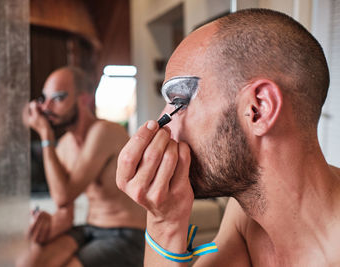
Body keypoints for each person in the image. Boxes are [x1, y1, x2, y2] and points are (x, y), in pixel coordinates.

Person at [116, 8, 340, 267]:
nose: (165, 129)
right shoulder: (247, 218)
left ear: (258, 109)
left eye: (178, 102)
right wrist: (163, 224)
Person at [18, 66, 146, 267]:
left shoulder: (104, 131)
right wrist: (42, 227)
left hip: (127, 233)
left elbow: (63, 195)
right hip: (90, 228)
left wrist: (45, 136)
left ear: (84, 99)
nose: (48, 107)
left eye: (58, 98)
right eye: (45, 99)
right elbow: (65, 213)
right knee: (28, 263)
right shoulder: (64, 146)